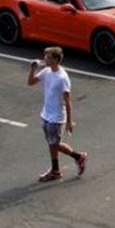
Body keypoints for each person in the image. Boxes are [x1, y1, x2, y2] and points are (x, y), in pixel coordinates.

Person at [27, 47, 86, 182]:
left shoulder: (62, 78)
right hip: (46, 114)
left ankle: (78, 157)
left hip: (57, 117)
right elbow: (30, 83)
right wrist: (32, 69)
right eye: (45, 56)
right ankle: (56, 170)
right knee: (52, 143)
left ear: (56, 59)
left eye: (48, 57)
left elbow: (68, 100)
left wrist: (69, 121)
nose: (45, 59)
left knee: (55, 144)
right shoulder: (47, 72)